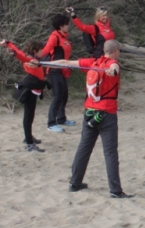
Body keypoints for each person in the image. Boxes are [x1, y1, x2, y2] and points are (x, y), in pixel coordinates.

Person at [32, 40, 133, 198]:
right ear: (115, 52)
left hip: (89, 112)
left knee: (84, 148)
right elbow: (114, 68)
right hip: (106, 113)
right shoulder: (112, 63)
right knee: (110, 152)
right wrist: (112, 71)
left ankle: (75, 182)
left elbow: (65, 62)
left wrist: (42, 63)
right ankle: (115, 190)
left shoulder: (93, 61)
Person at [2, 39, 47, 152]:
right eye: (41, 49)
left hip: (33, 88)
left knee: (30, 116)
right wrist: (14, 53)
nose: (43, 51)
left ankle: (29, 137)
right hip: (30, 90)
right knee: (28, 117)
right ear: (36, 51)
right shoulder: (31, 60)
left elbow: (18, 51)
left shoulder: (34, 59)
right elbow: (21, 55)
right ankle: (29, 143)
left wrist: (8, 43)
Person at [41, 13, 74, 132]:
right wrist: (34, 60)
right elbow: (45, 51)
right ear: (61, 26)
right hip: (54, 71)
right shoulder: (54, 37)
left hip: (63, 70)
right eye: (66, 24)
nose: (68, 26)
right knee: (57, 96)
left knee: (64, 95)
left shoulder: (64, 37)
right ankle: (51, 123)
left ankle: (61, 118)